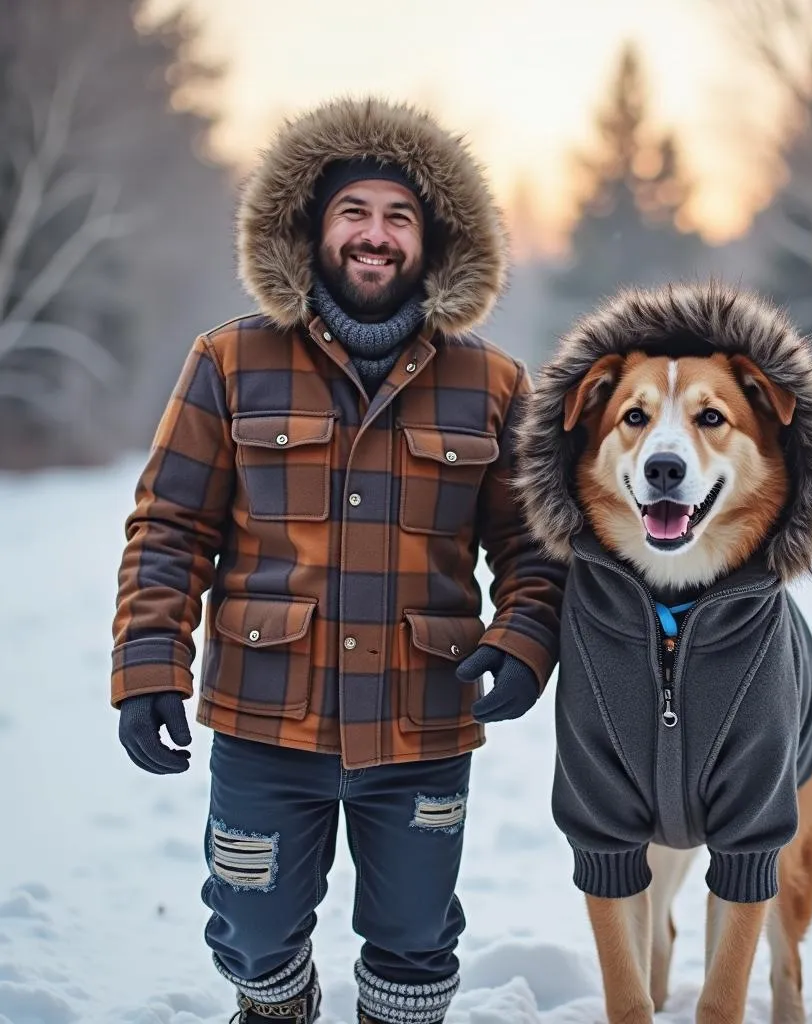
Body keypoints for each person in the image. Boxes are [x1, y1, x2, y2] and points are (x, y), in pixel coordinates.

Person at [110, 96, 565, 1024]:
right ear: (312, 228)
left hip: (422, 718)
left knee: (414, 933)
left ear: (433, 242)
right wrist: (148, 664)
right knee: (251, 923)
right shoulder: (229, 361)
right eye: (354, 211)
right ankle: (275, 1005)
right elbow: (169, 526)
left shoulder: (494, 383)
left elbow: (535, 547)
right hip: (266, 716)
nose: (376, 235)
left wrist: (524, 642)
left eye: (399, 217)